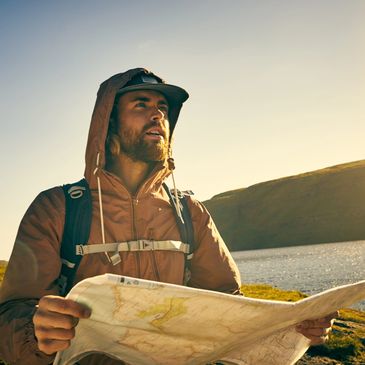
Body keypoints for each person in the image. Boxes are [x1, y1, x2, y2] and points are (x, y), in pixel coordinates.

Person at [0, 68, 336, 365]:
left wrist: (290, 325)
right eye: (141, 105)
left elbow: (229, 310)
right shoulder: (56, 208)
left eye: (163, 108)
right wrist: (36, 332)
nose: (157, 115)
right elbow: (10, 314)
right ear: (108, 122)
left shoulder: (190, 211)